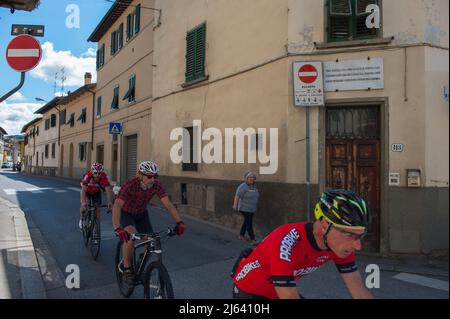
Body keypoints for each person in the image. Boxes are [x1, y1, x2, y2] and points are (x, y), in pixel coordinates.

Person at [231, 189, 374, 299]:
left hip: (277, 290)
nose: (357, 246)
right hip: (249, 292)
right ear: (324, 225)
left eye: (360, 236)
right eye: (349, 234)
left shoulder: (341, 245)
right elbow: (288, 295)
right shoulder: (287, 241)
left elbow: (359, 292)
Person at [112, 160, 185, 284]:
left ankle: (141, 261)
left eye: (155, 176)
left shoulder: (156, 185)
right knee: (130, 238)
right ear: (140, 175)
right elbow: (118, 204)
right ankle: (127, 268)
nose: (152, 179)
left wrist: (179, 222)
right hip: (127, 213)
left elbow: (168, 205)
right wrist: (117, 228)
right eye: (149, 176)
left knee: (151, 243)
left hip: (141, 214)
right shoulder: (130, 184)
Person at [79, 163, 114, 230]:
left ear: (102, 172)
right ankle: (81, 219)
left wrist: (110, 202)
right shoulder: (88, 176)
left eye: (99, 173)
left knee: (98, 209)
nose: (97, 175)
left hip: (96, 192)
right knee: (84, 207)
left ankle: (96, 227)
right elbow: (83, 190)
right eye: (95, 173)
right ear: (92, 172)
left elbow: (108, 190)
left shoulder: (104, 177)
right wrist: (83, 202)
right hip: (87, 192)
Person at [233, 171, 260, 245]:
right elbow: (237, 196)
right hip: (244, 208)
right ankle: (253, 239)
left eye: (253, 178)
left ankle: (241, 235)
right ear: (246, 179)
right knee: (249, 223)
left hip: (252, 208)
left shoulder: (254, 186)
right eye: (250, 178)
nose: (251, 179)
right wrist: (235, 205)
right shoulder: (243, 186)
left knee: (246, 222)